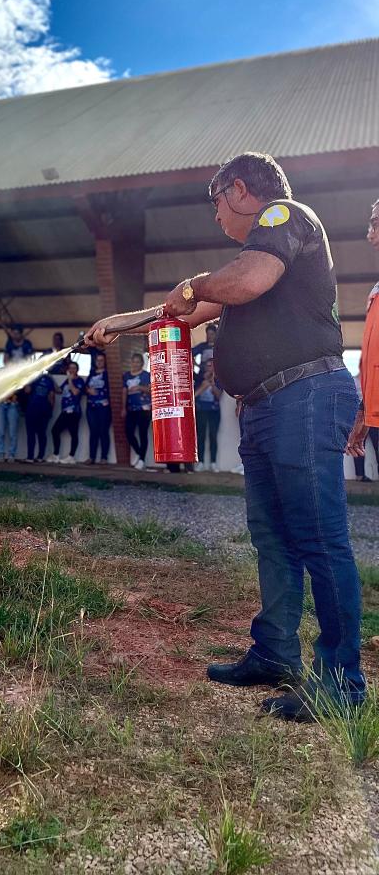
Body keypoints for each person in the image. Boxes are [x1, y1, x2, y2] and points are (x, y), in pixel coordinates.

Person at [85, 151, 364, 721]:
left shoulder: (284, 219)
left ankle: (342, 680)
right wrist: (123, 322)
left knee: (318, 537)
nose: (216, 216)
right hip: (268, 406)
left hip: (305, 397)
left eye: (216, 203)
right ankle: (276, 653)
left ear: (238, 190)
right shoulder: (251, 258)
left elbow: (239, 282)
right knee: (272, 537)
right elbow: (186, 312)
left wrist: (192, 284)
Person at [347, 199, 379, 482]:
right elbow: (371, 361)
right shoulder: (376, 291)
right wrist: (365, 411)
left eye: (376, 223)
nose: (370, 234)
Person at [49, 361, 84, 463]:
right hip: (65, 411)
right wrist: (51, 380)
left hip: (74, 411)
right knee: (55, 430)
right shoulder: (67, 380)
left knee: (73, 434)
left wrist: (69, 379)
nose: (72, 370)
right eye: (70, 368)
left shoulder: (79, 380)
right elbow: (59, 391)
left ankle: (71, 456)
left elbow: (75, 392)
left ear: (77, 370)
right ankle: (56, 455)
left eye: (74, 368)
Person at [122, 352, 151, 470]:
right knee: (128, 432)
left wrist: (140, 387)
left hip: (144, 408)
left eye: (138, 362)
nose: (135, 364)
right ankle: (140, 454)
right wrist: (123, 408)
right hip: (131, 408)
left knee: (142, 434)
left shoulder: (146, 375)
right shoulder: (126, 376)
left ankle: (142, 460)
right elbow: (124, 392)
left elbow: (151, 390)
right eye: (133, 361)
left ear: (142, 363)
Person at [194, 357, 222, 472]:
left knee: (213, 436)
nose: (209, 368)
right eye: (208, 365)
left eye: (212, 366)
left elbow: (219, 396)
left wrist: (212, 384)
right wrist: (204, 385)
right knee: (200, 436)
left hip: (214, 411)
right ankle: (200, 462)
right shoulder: (198, 378)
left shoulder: (219, 379)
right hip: (201, 410)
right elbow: (194, 395)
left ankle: (213, 463)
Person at [86, 351, 112, 465]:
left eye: (101, 360)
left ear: (105, 362)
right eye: (98, 360)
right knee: (93, 432)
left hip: (104, 407)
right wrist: (88, 390)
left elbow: (111, 388)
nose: (99, 362)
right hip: (91, 406)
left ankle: (104, 458)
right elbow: (84, 387)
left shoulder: (108, 373)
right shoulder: (92, 373)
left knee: (103, 431)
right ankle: (91, 457)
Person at [24, 371, 55, 462]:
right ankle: (40, 457)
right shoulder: (49, 379)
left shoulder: (33, 377)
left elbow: (27, 390)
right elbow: (52, 396)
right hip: (43, 409)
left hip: (33, 409)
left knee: (32, 434)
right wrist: (50, 411)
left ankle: (30, 457)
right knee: (41, 434)